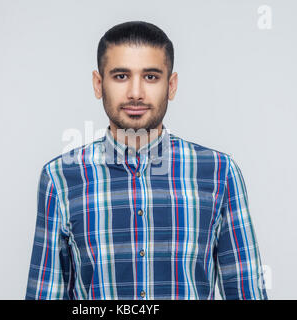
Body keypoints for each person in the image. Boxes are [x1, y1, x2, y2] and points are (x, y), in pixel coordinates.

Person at [25, 21, 268, 300]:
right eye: (120, 76)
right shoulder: (60, 178)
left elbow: (247, 292)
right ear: (98, 83)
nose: (136, 93)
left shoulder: (219, 174)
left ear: (171, 85)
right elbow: (46, 294)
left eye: (151, 76)